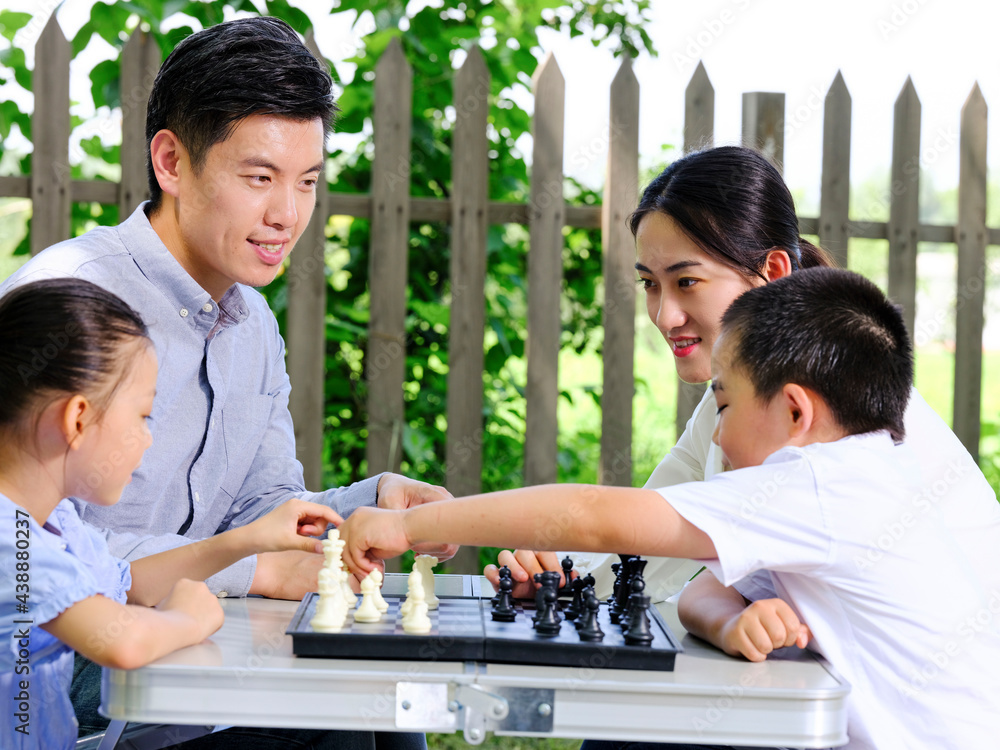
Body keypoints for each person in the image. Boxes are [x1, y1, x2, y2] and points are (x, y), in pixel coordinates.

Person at [0, 16, 443, 746]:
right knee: (352, 711)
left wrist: (369, 503)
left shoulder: (252, 324)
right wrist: (251, 571)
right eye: (260, 178)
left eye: (306, 182)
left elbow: (260, 506)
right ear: (172, 162)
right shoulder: (77, 298)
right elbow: (35, 546)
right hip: (81, 668)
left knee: (387, 696)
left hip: (188, 642)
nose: (288, 215)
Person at [338, 268, 1000, 750]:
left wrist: (405, 525)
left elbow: (598, 516)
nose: (716, 433)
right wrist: (734, 622)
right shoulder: (874, 468)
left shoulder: (822, 483)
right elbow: (697, 599)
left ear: (795, 410)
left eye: (726, 403)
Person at [485, 146, 1000, 619]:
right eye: (649, 284)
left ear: (772, 271)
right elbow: (647, 542)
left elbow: (611, 521)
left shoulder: (834, 420)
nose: (664, 315)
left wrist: (420, 525)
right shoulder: (736, 402)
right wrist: (561, 581)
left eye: (687, 281)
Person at [0, 278, 351, 750]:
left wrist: (248, 539)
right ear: (77, 419)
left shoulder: (54, 521)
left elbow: (132, 581)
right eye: (143, 417)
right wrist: (188, 619)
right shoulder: (10, 539)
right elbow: (121, 640)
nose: (148, 438)